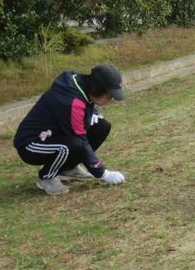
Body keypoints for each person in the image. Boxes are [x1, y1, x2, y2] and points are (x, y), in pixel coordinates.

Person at [13, 64, 127, 195]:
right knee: (73, 144)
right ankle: (46, 177)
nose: (109, 100)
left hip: (56, 135)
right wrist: (103, 173)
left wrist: (93, 112)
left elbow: (87, 107)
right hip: (31, 144)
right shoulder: (71, 101)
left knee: (102, 126)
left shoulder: (84, 87)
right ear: (96, 88)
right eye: (108, 95)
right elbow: (80, 140)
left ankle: (68, 169)